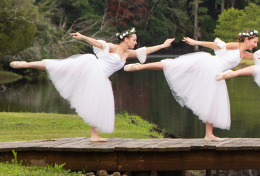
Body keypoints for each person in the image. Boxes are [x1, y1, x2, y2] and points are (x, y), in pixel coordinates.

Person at [10, 29, 174, 142]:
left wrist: (163, 46)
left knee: (99, 104)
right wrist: (82, 37)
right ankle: (27, 64)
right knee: (60, 66)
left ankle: (94, 135)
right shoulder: (113, 48)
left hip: (100, 78)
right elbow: (96, 43)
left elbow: (145, 51)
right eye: (134, 39)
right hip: (92, 69)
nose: (136, 42)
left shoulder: (127, 53)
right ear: (126, 39)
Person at [124, 31, 260, 140]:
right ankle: (140, 67)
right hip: (209, 65)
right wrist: (197, 42)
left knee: (212, 102)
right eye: (254, 42)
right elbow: (215, 46)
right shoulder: (236, 46)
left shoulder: (245, 55)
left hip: (215, 74)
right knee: (174, 65)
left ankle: (209, 134)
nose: (255, 45)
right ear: (246, 40)